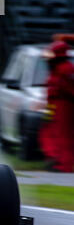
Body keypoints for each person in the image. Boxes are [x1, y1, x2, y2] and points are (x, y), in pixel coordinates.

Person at [39, 40, 74, 172]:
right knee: (48, 132)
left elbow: (70, 89)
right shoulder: (56, 69)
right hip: (53, 106)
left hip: (65, 106)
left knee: (64, 136)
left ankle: (64, 165)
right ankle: (53, 159)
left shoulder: (67, 69)